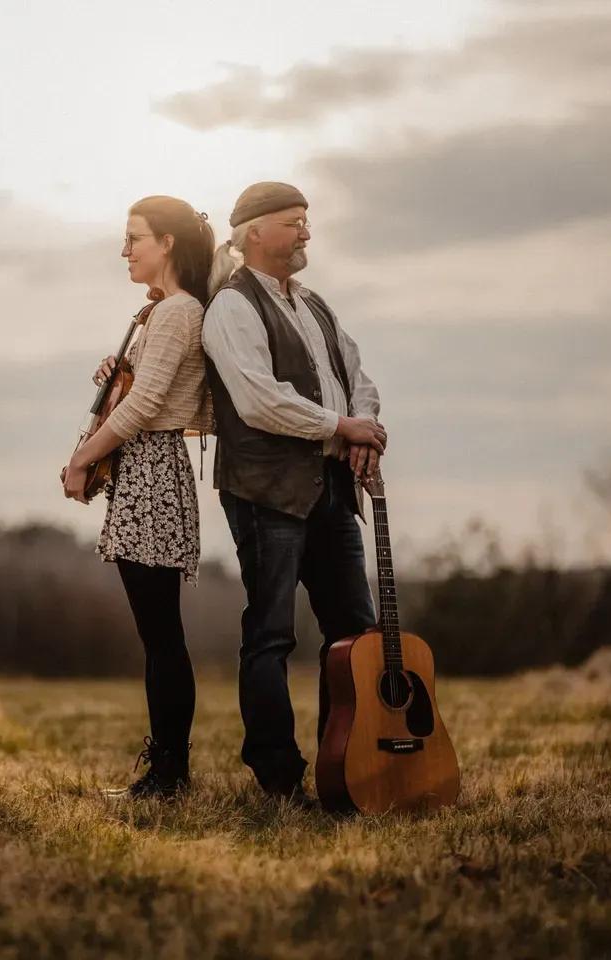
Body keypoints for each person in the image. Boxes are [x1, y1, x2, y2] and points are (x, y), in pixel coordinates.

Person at [202, 181, 387, 806]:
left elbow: (357, 379)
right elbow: (258, 401)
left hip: (332, 489)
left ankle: (351, 765)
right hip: (267, 493)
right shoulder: (231, 306)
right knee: (272, 634)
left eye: (307, 221)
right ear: (254, 232)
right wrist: (340, 426)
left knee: (357, 640)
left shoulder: (315, 304)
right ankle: (279, 777)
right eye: (293, 222)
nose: (306, 232)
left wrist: (363, 429)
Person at [60, 195, 214, 799]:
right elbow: (143, 389)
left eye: (134, 238)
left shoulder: (176, 312)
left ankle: (170, 773)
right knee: (159, 636)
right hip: (146, 473)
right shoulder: (158, 315)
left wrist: (82, 458)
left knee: (161, 638)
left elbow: (148, 407)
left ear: (167, 243)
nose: (125, 250)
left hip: (151, 471)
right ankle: (167, 768)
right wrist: (119, 372)